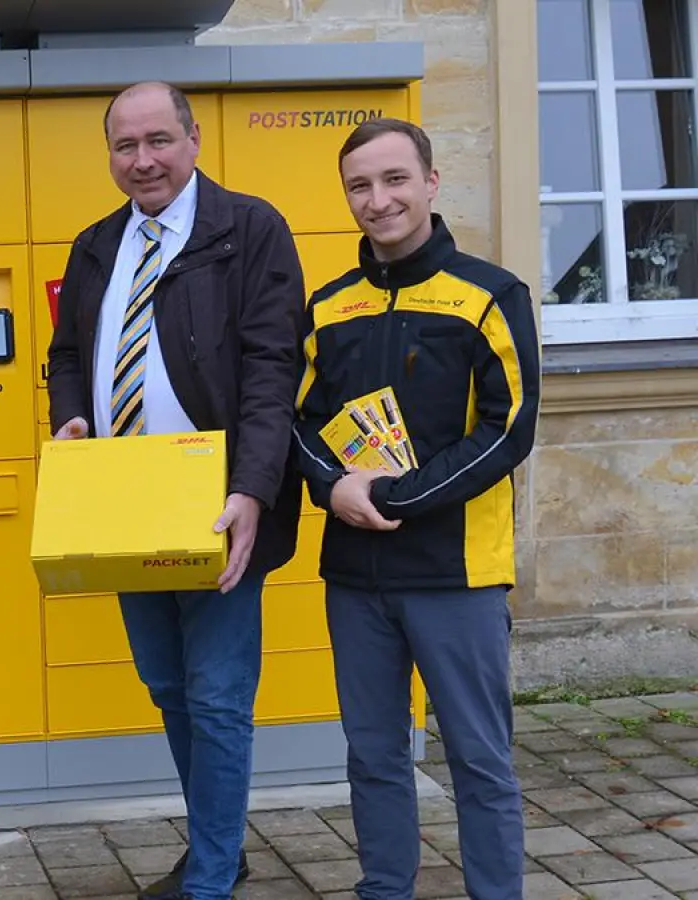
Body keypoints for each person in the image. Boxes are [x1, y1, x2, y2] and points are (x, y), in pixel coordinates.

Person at [45, 81, 307, 900]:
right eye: (125, 146)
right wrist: (74, 419)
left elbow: (273, 370)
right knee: (167, 684)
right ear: (110, 155)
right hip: (127, 502)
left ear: (194, 139)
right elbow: (65, 354)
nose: (143, 160)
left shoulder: (250, 229)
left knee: (220, 696)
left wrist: (253, 491)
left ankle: (211, 878)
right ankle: (216, 850)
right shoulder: (95, 245)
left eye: (159, 140)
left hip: (219, 501)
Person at [292, 118, 539, 900]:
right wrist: (334, 486)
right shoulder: (329, 307)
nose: (379, 199)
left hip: (456, 572)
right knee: (371, 754)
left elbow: (510, 428)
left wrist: (396, 495)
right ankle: (383, 889)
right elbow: (296, 421)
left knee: (478, 757)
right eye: (360, 186)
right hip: (356, 577)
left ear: (431, 183)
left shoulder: (491, 295)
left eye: (395, 179)